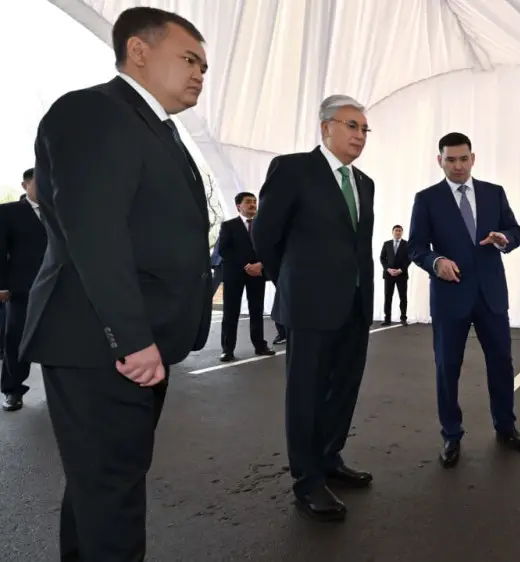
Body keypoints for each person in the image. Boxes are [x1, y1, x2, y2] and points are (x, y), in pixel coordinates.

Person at [21, 7, 212, 560]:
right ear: (138, 50)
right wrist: (131, 337)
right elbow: (94, 233)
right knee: (112, 495)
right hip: (101, 344)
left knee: (101, 488)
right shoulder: (94, 112)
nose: (199, 73)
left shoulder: (155, 127)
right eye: (190, 59)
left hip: (128, 344)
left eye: (204, 66)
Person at [252, 94, 375, 522]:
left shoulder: (364, 183)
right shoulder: (293, 169)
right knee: (306, 392)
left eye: (364, 129)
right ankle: (307, 480)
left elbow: (358, 245)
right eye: (351, 125)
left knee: (344, 387)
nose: (360, 135)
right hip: (309, 304)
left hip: (356, 304)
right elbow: (266, 234)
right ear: (326, 128)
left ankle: (329, 458)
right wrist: (289, 281)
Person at [408, 132, 520, 468]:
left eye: (463, 159)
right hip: (450, 297)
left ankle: (506, 427)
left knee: (502, 363)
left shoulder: (494, 193)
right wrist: (436, 262)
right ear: (440, 161)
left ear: (473, 158)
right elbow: (416, 247)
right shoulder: (427, 199)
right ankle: (451, 434)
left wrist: (504, 238)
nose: (458, 166)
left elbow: (516, 231)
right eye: (450, 160)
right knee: (447, 367)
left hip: (491, 295)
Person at [0, 168, 47, 412]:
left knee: (58, 338)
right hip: (22, 288)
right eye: (39, 182)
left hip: (58, 288)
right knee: (16, 339)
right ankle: (12, 390)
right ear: (25, 185)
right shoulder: (8, 212)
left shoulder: (60, 209)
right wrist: (1, 285)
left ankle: (59, 392)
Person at [216, 192, 274, 361]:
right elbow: (224, 250)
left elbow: (270, 248)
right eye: (248, 202)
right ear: (238, 206)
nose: (252, 205)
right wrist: (245, 265)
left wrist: (260, 264)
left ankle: (260, 346)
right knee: (230, 312)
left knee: (257, 310)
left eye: (254, 202)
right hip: (234, 274)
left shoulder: (262, 225)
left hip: (257, 273)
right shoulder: (229, 226)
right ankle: (227, 349)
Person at [379, 225, 410, 326]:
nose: (398, 232)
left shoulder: (406, 244)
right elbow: (382, 258)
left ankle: (403, 318)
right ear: (392, 232)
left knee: (403, 297)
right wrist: (388, 269)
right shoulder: (387, 244)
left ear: (402, 232)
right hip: (389, 275)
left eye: (400, 230)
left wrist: (401, 270)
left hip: (401, 275)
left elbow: (409, 258)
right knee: (388, 297)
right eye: (396, 230)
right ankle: (387, 319)